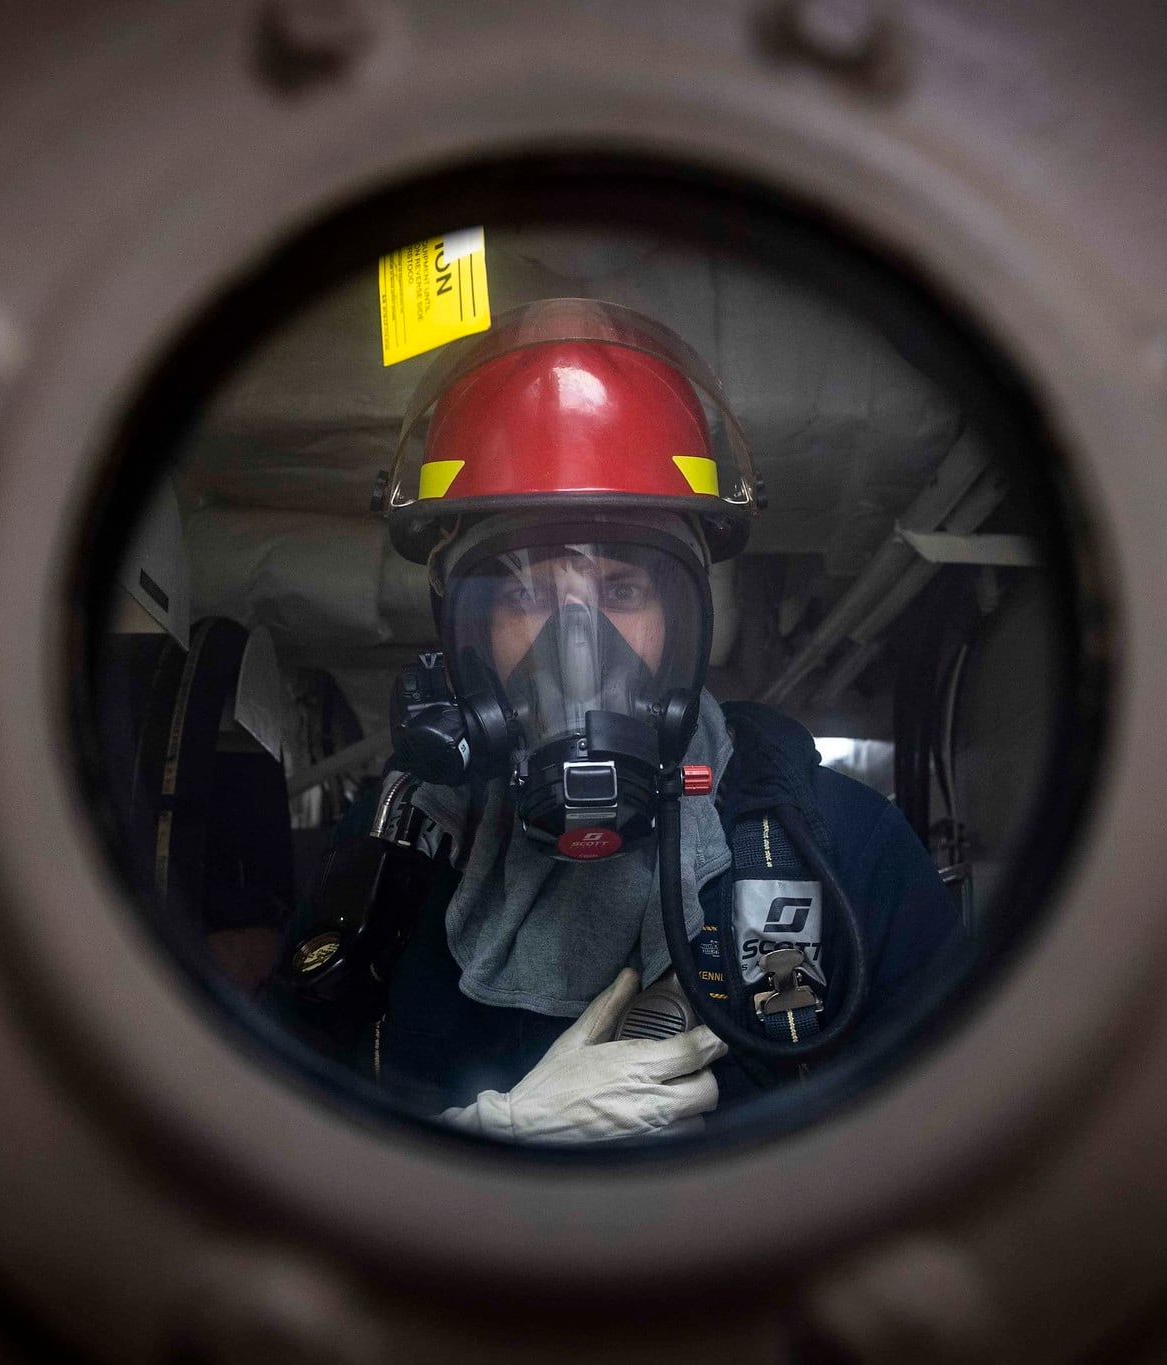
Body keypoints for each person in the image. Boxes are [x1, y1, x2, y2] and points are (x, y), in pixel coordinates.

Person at [277, 299, 956, 1143]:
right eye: (525, 594)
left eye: (624, 592)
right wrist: (496, 1136)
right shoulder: (394, 856)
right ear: (465, 630)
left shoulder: (845, 852)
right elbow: (278, 1156)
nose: (578, 645)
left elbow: (961, 1160)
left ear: (687, 620)